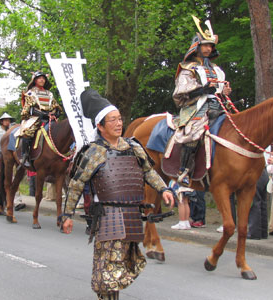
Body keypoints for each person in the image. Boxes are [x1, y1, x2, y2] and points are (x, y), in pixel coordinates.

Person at [61, 89, 174, 300]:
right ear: (101, 126)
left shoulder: (133, 147)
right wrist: (67, 215)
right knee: (107, 271)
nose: (119, 123)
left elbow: (149, 171)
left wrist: (164, 189)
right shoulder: (93, 152)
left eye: (120, 119)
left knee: (120, 267)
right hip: (107, 217)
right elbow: (77, 184)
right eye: (112, 120)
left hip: (131, 216)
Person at [172, 16, 231, 186]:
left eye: (210, 45)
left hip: (218, 106)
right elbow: (181, 92)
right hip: (195, 107)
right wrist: (204, 89)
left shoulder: (216, 70)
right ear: (197, 46)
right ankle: (184, 170)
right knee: (194, 131)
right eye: (205, 45)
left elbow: (217, 92)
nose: (208, 48)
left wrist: (224, 92)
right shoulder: (188, 68)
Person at [18, 72, 61, 167]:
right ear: (35, 80)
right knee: (27, 132)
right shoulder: (31, 92)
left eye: (43, 78)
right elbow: (31, 109)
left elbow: (56, 106)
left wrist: (56, 114)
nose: (42, 80)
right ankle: (25, 155)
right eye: (39, 78)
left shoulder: (49, 93)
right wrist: (45, 115)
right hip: (35, 118)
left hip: (50, 118)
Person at [247, 168, 269, 240]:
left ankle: (254, 232)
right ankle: (263, 232)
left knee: (254, 203)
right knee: (262, 203)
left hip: (254, 173)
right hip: (263, 173)